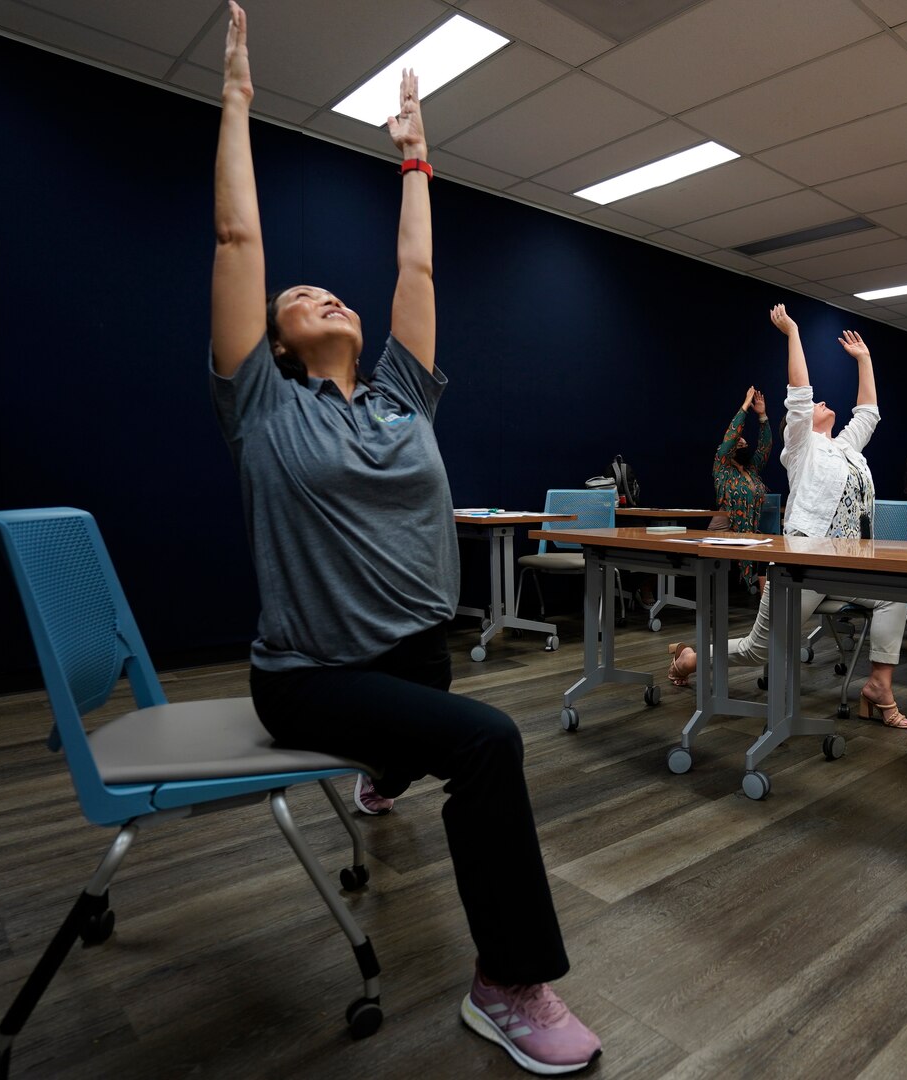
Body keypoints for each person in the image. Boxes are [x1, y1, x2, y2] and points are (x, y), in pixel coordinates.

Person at [207, 6, 599, 1073]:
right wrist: (237, 100)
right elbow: (239, 240)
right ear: (274, 342)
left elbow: (414, 280)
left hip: (407, 647)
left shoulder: (398, 400)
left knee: (425, 682)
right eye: (297, 297)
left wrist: (416, 153)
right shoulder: (263, 410)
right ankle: (507, 984)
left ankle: (382, 772)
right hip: (308, 672)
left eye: (328, 289)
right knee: (486, 741)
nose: (318, 293)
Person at [668, 307, 907, 728]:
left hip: (849, 564)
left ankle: (877, 686)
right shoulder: (800, 447)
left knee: (896, 592)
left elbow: (869, 413)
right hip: (806, 566)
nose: (821, 403)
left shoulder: (846, 448)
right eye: (816, 406)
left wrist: (865, 359)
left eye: (821, 403)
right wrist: (793, 333)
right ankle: (691, 657)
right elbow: (800, 394)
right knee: (757, 649)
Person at [711, 386, 772, 592]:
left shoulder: (751, 469)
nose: (743, 444)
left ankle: (766, 603)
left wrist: (762, 416)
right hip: (725, 533)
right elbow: (731, 436)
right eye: (740, 443)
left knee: (770, 548)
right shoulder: (722, 469)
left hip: (750, 533)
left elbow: (764, 447)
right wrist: (745, 406)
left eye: (745, 443)